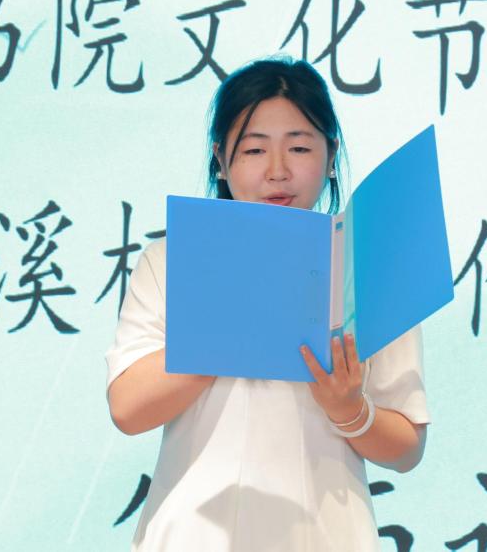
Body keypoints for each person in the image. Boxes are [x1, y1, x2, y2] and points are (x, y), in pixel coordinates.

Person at [105, 57, 430, 551]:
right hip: (193, 535)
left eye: (299, 147)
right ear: (220, 159)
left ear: (330, 153)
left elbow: (407, 447)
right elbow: (128, 409)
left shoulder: (367, 269)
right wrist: (232, 333)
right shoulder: (171, 261)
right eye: (254, 149)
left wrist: (350, 411)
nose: (277, 171)